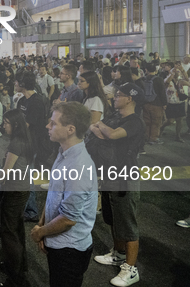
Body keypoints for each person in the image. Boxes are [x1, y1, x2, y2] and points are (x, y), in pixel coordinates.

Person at [31, 102, 97, 287]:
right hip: (58, 240)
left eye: (53, 123)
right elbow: (54, 195)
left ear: (70, 129)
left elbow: (68, 218)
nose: (47, 126)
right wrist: (43, 227)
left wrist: (40, 232)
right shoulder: (64, 153)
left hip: (70, 250)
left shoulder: (79, 166)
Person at [89, 83, 145, 287]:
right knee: (112, 218)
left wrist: (104, 129)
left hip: (125, 177)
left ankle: (131, 269)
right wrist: (104, 128)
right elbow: (94, 126)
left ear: (130, 98)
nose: (114, 98)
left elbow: (109, 133)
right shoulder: (115, 118)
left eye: (119, 95)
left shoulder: (134, 122)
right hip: (109, 174)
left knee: (127, 223)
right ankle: (119, 254)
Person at [0, 109, 34, 287]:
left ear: (15, 124)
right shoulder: (24, 139)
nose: (4, 126)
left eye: (6, 123)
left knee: (9, 232)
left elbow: (5, 173)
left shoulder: (15, 144)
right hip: (23, 188)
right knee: (17, 229)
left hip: (14, 190)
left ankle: (14, 276)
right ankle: (20, 267)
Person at [161, 62, 189, 142]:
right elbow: (166, 82)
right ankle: (161, 127)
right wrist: (172, 72)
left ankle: (178, 136)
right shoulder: (168, 79)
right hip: (170, 103)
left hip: (180, 102)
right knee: (170, 121)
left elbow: (187, 79)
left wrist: (182, 70)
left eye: (178, 72)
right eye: (176, 71)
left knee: (180, 119)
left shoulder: (180, 81)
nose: (178, 72)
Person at [142, 63, 167, 145]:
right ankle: (153, 138)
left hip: (146, 103)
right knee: (156, 122)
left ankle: (146, 137)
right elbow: (162, 92)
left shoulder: (143, 79)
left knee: (147, 122)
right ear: (155, 70)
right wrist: (164, 103)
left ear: (146, 70)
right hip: (157, 104)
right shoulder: (159, 79)